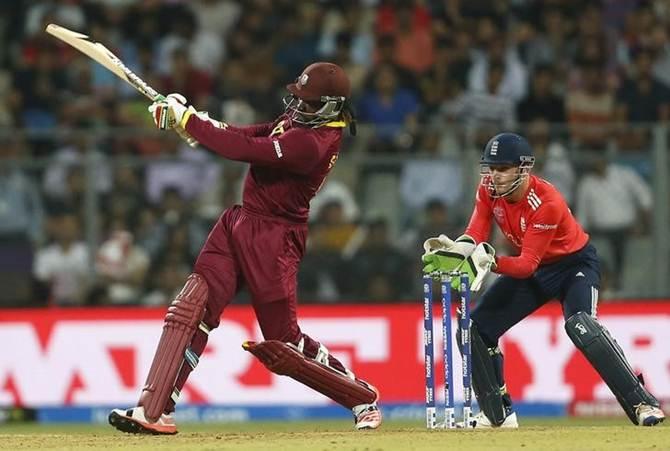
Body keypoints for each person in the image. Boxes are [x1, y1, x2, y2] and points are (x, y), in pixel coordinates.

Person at [108, 62, 382, 434]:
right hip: (239, 221)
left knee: (283, 344)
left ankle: (359, 396)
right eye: (299, 98)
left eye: (311, 103)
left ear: (333, 106)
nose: (300, 107)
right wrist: (191, 119)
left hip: (275, 239)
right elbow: (246, 133)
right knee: (190, 308)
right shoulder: (299, 122)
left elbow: (244, 149)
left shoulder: (312, 143)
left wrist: (189, 122)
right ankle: (154, 411)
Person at [421, 132, 665, 428]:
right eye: (491, 168)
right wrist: (458, 249)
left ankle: (642, 402)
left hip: (574, 265)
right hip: (538, 270)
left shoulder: (546, 201)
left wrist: (494, 262)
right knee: (475, 329)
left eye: (503, 169)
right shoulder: (487, 188)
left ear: (523, 169)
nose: (494, 176)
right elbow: (476, 232)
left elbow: (525, 266)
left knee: (581, 325)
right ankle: (498, 413)